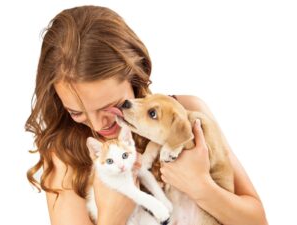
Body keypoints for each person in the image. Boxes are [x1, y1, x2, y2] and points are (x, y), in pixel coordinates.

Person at [26, 5, 268, 225]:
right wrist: (112, 215)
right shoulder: (65, 157)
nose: (98, 124)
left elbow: (258, 221)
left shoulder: (184, 113)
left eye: (111, 105)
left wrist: (200, 186)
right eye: (76, 112)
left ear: (136, 74)